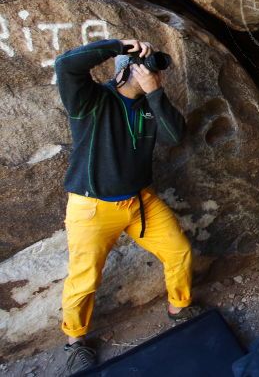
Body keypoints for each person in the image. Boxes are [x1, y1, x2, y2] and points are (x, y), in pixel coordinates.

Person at [54, 38, 202, 373]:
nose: (152, 73)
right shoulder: (92, 101)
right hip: (92, 206)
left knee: (178, 250)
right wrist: (118, 46)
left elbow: (174, 136)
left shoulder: (151, 105)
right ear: (126, 70)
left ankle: (180, 307)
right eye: (144, 67)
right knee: (85, 278)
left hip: (139, 201)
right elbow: (65, 65)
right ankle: (75, 341)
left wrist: (155, 92)